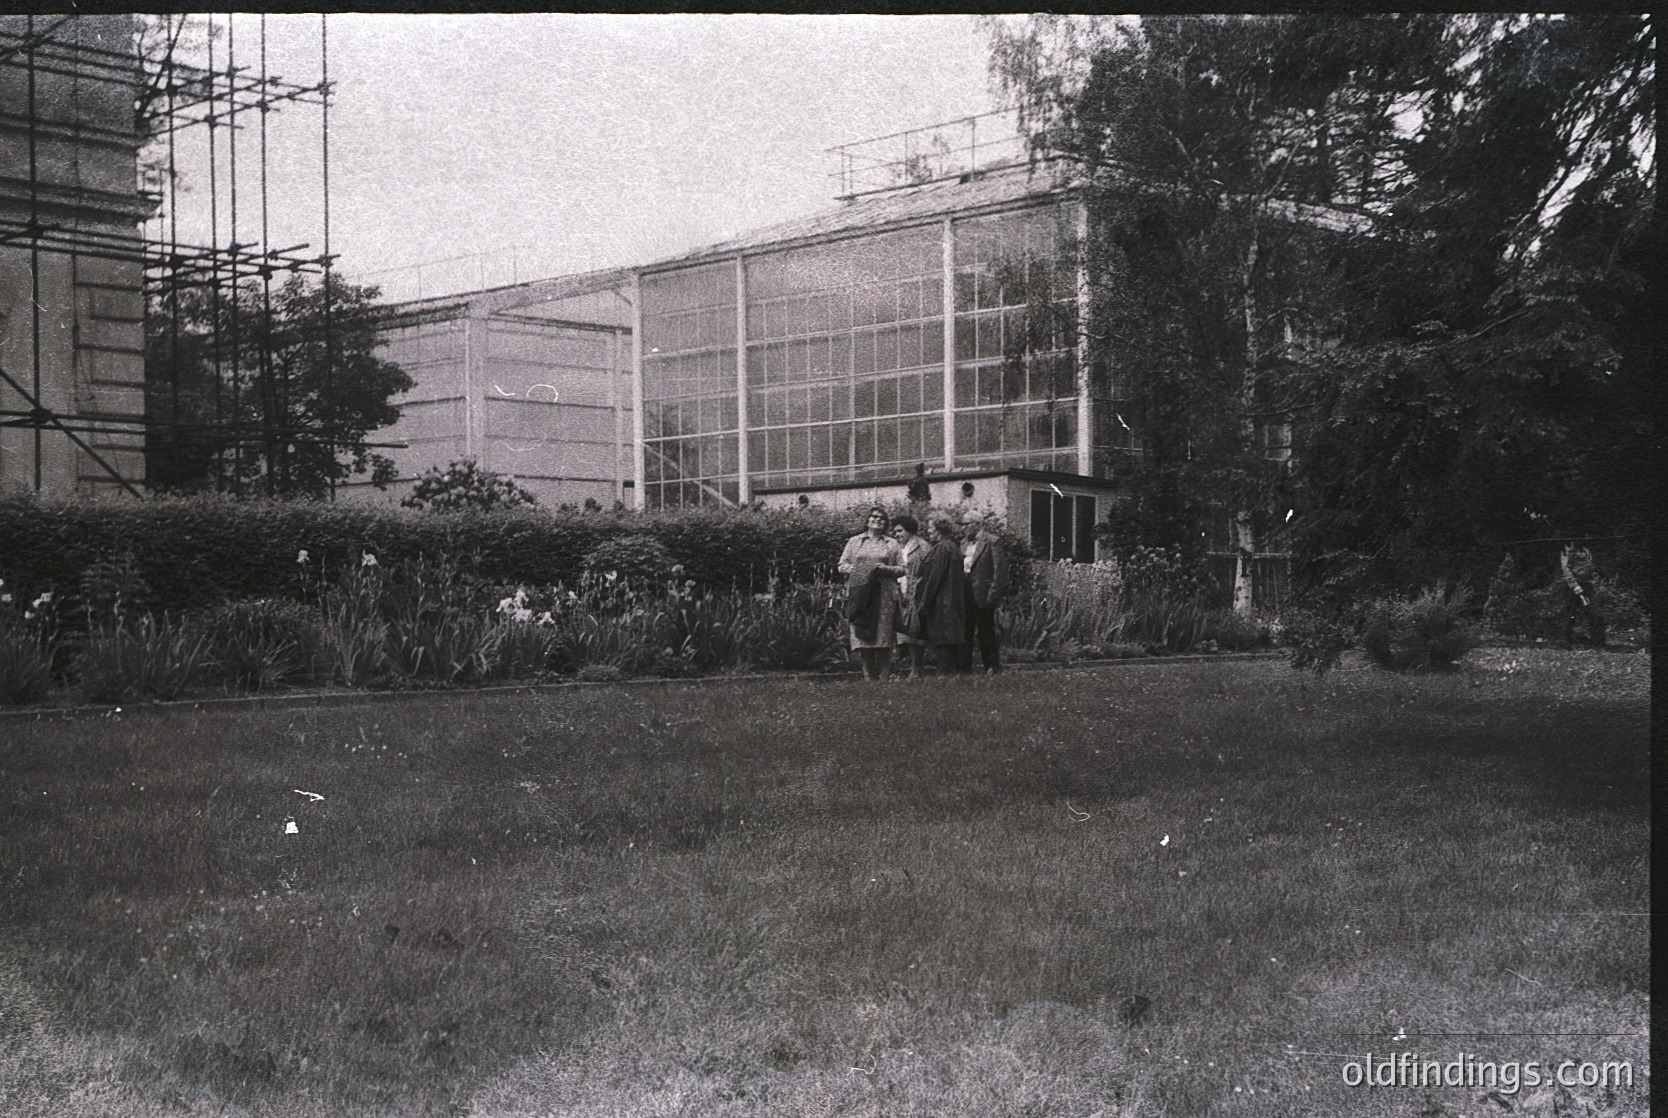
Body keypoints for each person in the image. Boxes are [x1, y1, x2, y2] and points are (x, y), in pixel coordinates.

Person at [837, 506, 905, 680]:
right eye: (874, 516)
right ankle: (867, 675)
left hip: (884, 594)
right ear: (867, 521)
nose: (877, 519)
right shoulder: (855, 542)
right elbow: (841, 565)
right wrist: (859, 570)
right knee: (863, 631)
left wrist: (886, 568)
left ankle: (884, 675)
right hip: (861, 593)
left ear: (885, 523)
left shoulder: (891, 543)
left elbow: (902, 569)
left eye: (882, 518)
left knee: (883, 634)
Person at [913, 511, 969, 674]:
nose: (928, 531)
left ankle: (943, 676)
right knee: (947, 639)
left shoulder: (942, 548)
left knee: (943, 639)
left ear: (940, 529)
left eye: (931, 527)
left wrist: (924, 603)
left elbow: (933, 579)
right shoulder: (951, 546)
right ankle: (948, 675)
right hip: (950, 600)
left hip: (943, 602)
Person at [963, 514, 1010, 674]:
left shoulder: (992, 541)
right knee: (965, 630)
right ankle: (965, 668)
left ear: (976, 524)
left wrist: (993, 593)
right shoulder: (963, 543)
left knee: (985, 631)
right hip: (965, 592)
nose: (963, 527)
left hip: (983, 593)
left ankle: (992, 667)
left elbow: (1000, 570)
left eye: (966, 523)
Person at [890, 513, 931, 679]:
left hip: (916, 593)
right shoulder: (897, 548)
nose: (897, 535)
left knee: (915, 632)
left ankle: (916, 670)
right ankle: (908, 669)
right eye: (895, 532)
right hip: (900, 593)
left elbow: (928, 572)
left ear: (910, 530)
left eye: (900, 531)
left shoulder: (923, 546)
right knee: (903, 632)